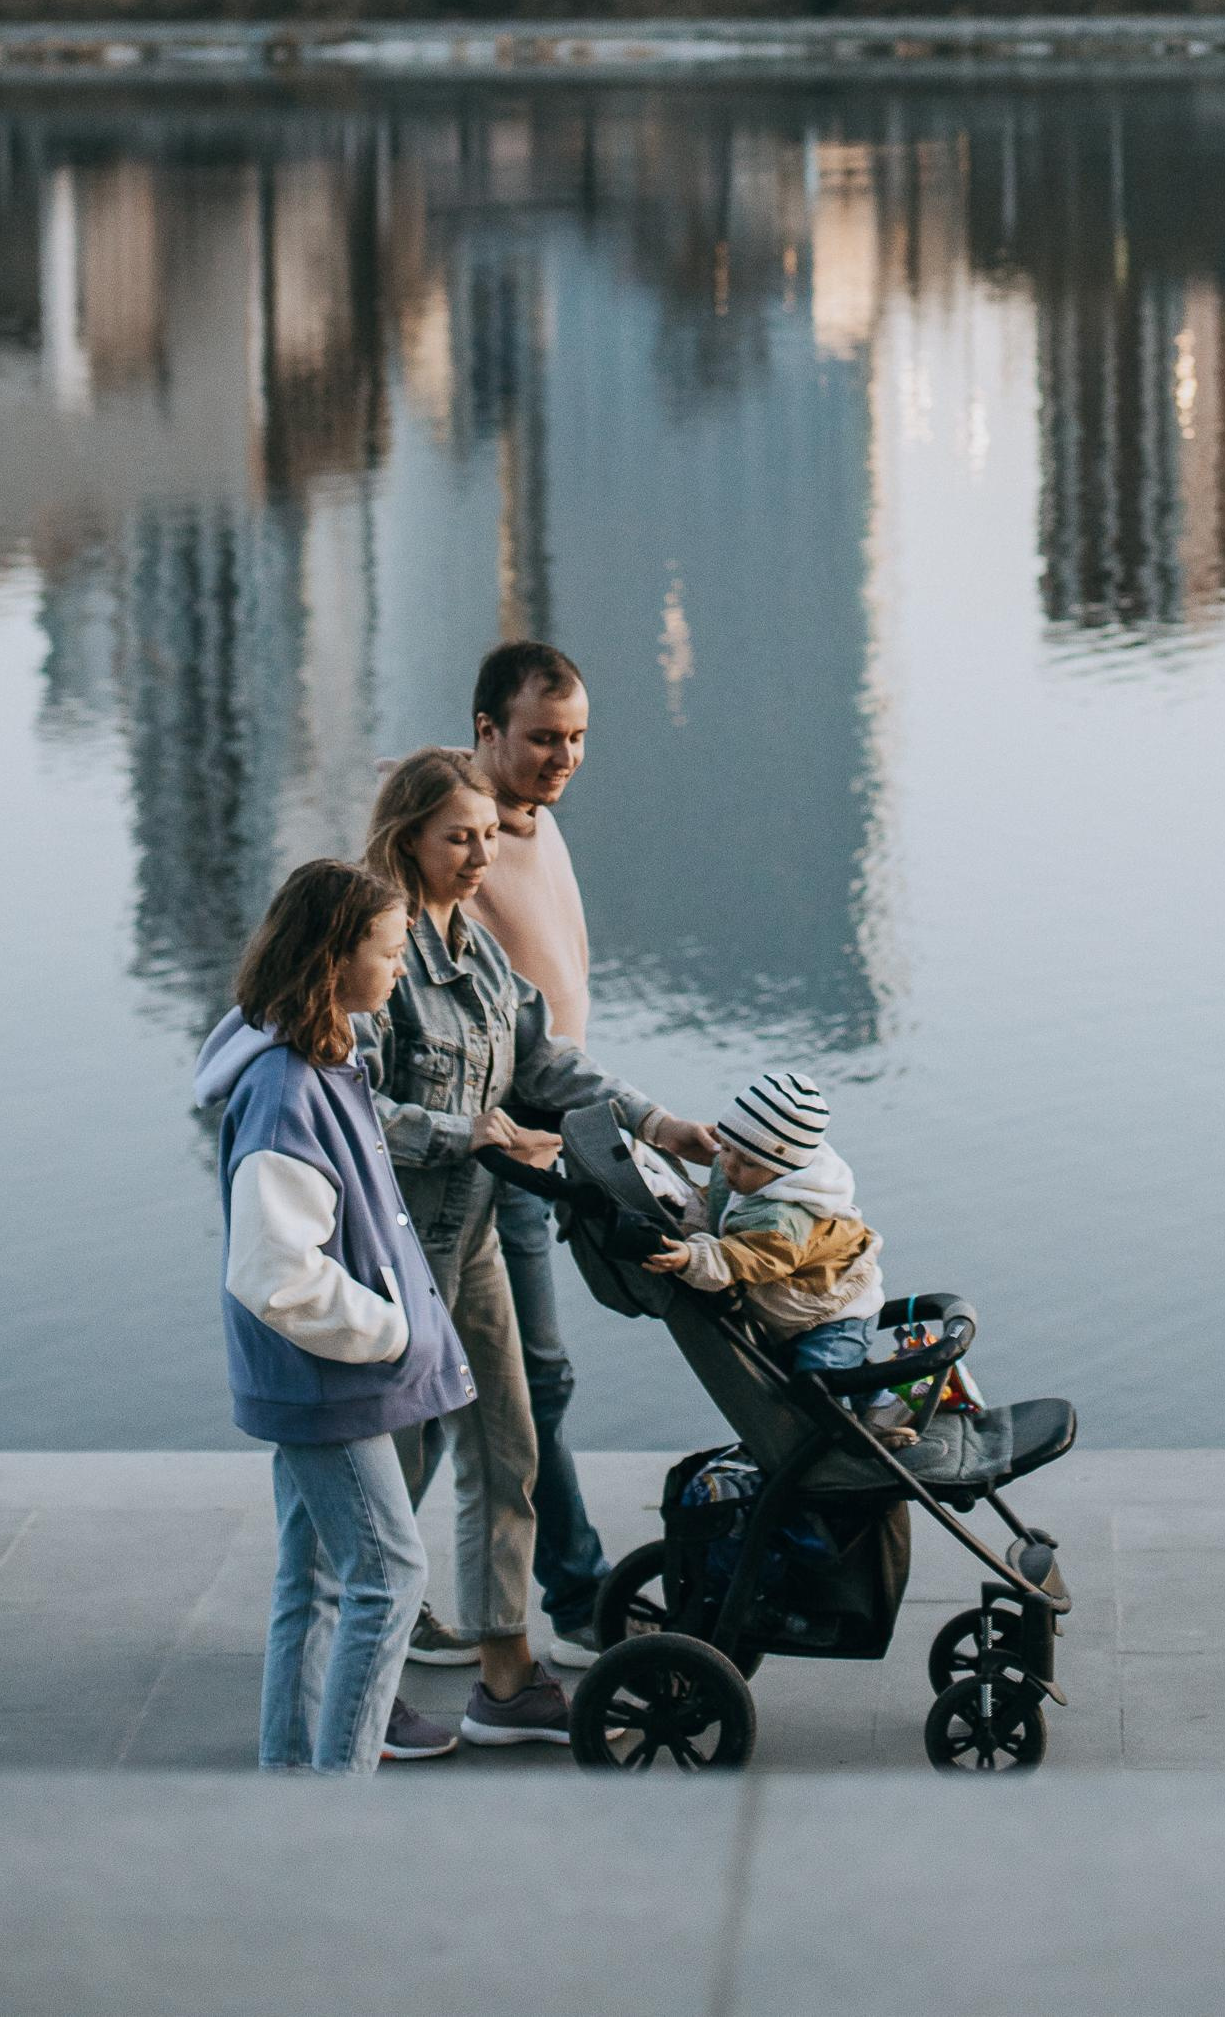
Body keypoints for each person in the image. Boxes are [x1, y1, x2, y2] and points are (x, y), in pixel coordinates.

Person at [358, 747, 717, 1750]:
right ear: (407, 839)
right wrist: (462, 1131)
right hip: (394, 1259)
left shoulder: (472, 946)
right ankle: (357, 1691)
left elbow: (544, 1058)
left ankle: (505, 1679)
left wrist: (657, 1123)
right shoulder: (373, 950)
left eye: (487, 837)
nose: (481, 857)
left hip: (470, 1240)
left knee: (508, 1449)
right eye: (458, 839)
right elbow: (344, 1108)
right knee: (386, 1478)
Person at [193, 859, 470, 1773]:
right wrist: (392, 1332)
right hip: (329, 1381)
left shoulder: (323, 1062)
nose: (400, 967)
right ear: (331, 957)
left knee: (311, 1581)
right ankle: (333, 1809)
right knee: (390, 1580)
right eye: (387, 950)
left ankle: (290, 1786)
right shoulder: (288, 1090)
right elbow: (274, 1274)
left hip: (320, 1375)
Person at [462, 638, 609, 1665]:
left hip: (547, 1140)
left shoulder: (535, 819)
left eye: (578, 738)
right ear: (487, 731)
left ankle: (375, 1589)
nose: (564, 758)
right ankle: (576, 1594)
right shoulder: (459, 840)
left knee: (456, 1401)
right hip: (492, 1157)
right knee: (534, 1382)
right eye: (544, 738)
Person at [644, 1067, 912, 1442]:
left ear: (784, 1170)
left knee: (818, 1383)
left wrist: (693, 1259)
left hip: (835, 1314)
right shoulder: (738, 1168)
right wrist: (690, 1225)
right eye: (727, 1148)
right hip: (800, 1306)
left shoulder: (784, 1222)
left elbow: (746, 1258)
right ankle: (881, 1405)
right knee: (827, 1373)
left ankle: (856, 1441)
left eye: (749, 1162)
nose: (730, 1165)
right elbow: (717, 1201)